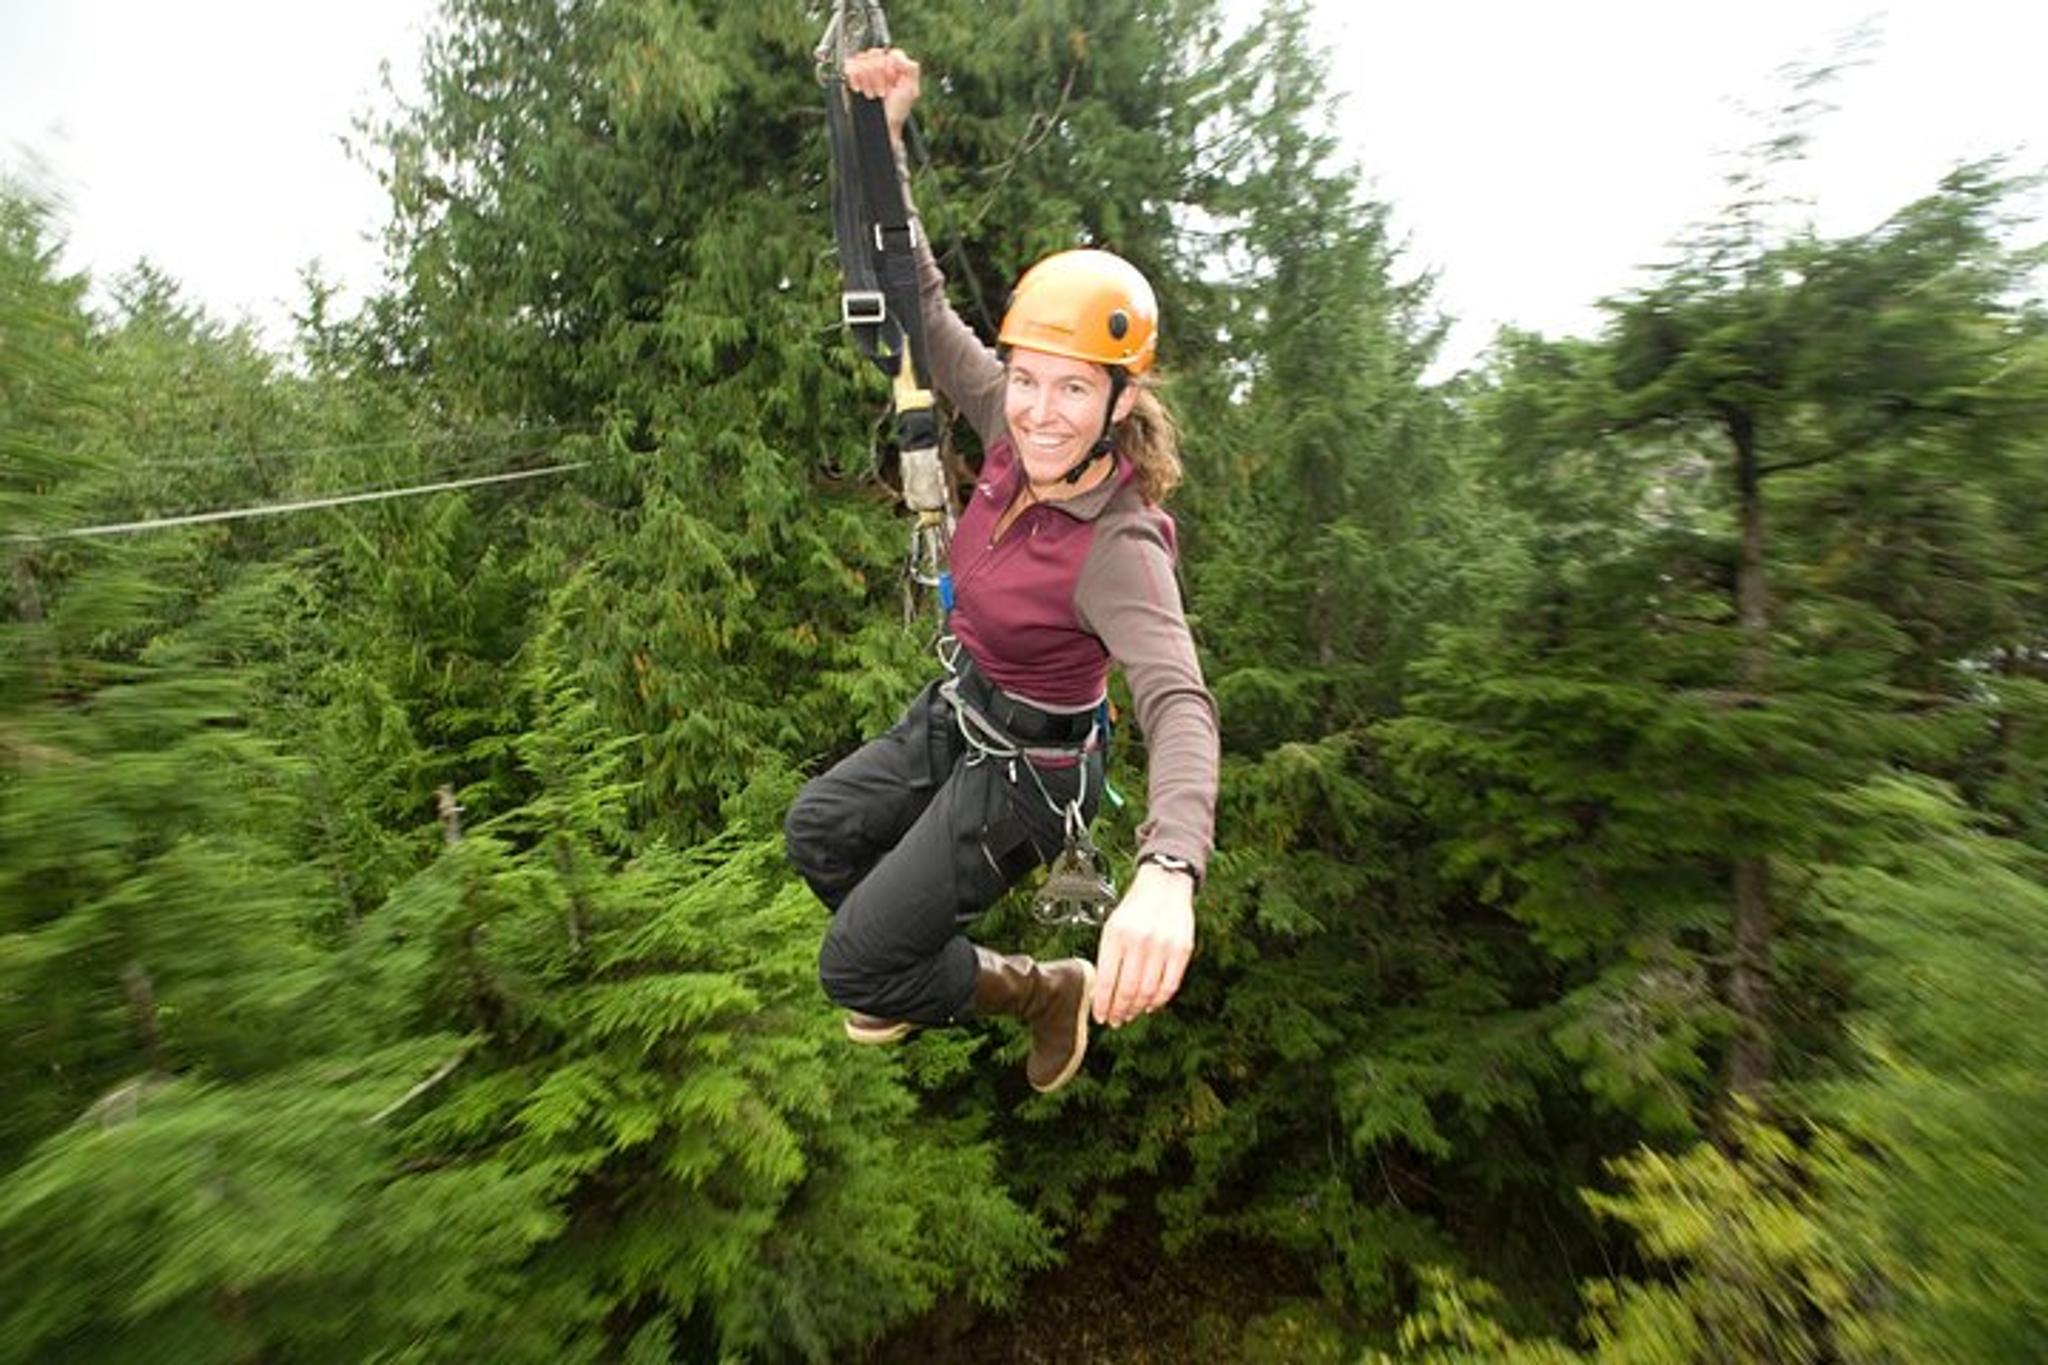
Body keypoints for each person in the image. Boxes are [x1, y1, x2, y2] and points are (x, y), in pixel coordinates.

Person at [786, 46, 1219, 1094]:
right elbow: (923, 309)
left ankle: (1037, 989)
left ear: (1121, 403)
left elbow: (1178, 702)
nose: (1036, 412)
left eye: (1072, 391)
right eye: (1026, 380)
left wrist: (1167, 871)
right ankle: (945, 970)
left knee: (852, 969)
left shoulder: (1117, 543)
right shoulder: (1006, 426)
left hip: (1028, 778)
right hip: (957, 713)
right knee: (819, 834)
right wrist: (882, 142)